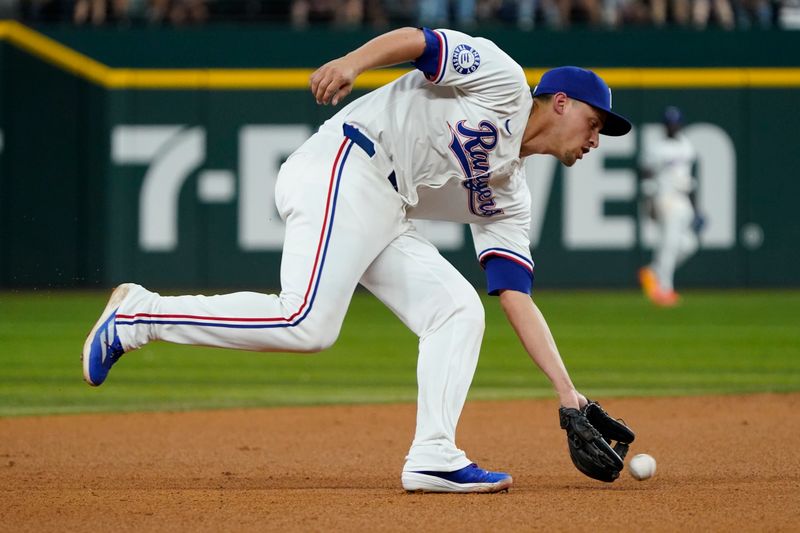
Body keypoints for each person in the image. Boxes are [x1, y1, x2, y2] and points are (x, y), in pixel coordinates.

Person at [83, 27, 632, 493]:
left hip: (385, 206)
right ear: (560, 101)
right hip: (347, 160)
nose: (596, 138)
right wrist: (350, 63)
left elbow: (516, 293)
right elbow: (420, 41)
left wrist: (569, 395)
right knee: (304, 323)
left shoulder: (510, 194)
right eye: (595, 122)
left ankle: (433, 454)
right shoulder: (504, 82)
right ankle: (138, 317)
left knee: (458, 310)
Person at [638, 106, 702, 307]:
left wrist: (696, 207)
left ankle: (653, 272)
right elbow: (647, 176)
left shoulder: (686, 145)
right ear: (664, 126)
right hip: (665, 197)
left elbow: (689, 179)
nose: (672, 127)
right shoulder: (656, 148)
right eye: (669, 124)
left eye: (675, 123)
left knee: (689, 244)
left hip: (683, 198)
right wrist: (649, 202)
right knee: (670, 244)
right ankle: (664, 290)